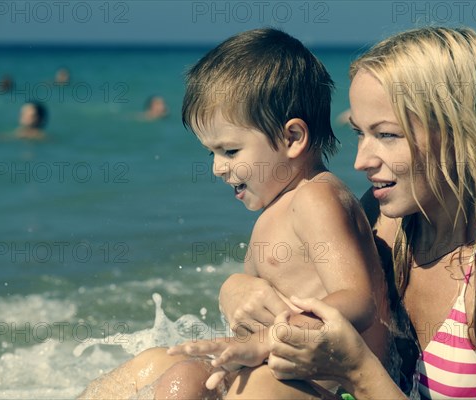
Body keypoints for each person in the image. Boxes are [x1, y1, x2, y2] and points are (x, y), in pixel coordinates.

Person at [186, 27, 476, 399]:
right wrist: (234, 289)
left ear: (461, 134)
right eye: (360, 133)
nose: (360, 161)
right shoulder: (382, 217)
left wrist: (356, 371)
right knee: (182, 377)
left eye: (387, 135)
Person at [78, 28, 394, 399]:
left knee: (186, 384)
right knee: (150, 366)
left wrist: (267, 340)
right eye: (211, 153)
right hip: (284, 372)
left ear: (292, 138)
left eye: (230, 151)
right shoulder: (279, 207)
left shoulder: (315, 198)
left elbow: (358, 301)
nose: (217, 168)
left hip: (339, 385)